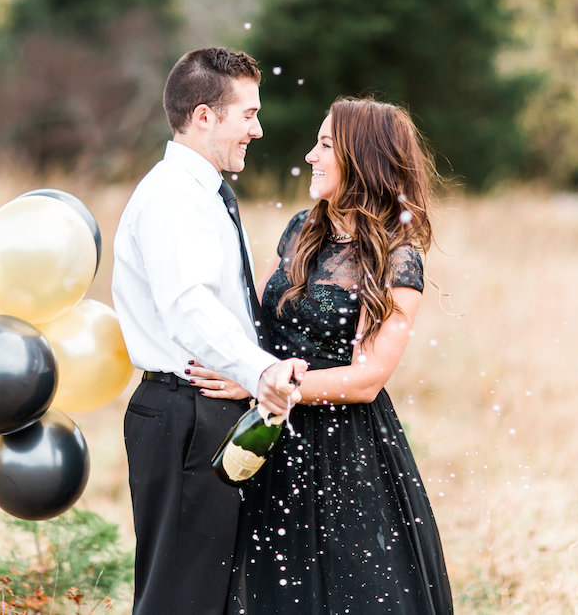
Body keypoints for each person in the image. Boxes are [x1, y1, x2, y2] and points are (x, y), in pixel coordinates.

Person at [191, 97, 454, 613]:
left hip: (344, 451)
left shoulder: (398, 256)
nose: (311, 156)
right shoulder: (300, 230)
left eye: (326, 145)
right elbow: (254, 321)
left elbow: (367, 379)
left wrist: (263, 383)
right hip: (271, 438)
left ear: (364, 157)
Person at [111, 47, 306, 615]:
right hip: (184, 412)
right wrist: (263, 371)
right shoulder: (174, 197)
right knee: (181, 598)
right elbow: (188, 307)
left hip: (209, 406)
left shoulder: (204, 193)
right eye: (247, 114)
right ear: (204, 116)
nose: (258, 129)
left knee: (215, 595)